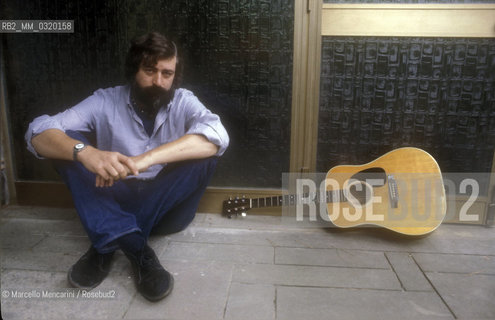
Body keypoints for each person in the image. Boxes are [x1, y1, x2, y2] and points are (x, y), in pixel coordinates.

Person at [24, 32, 229, 302]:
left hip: (167, 211)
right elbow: (38, 131)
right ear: (134, 69)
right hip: (118, 196)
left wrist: (144, 160)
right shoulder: (104, 100)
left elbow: (218, 133)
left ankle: (105, 241)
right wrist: (87, 153)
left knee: (206, 152)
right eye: (149, 70)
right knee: (67, 147)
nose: (158, 81)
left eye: (167, 74)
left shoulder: (183, 100)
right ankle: (137, 250)